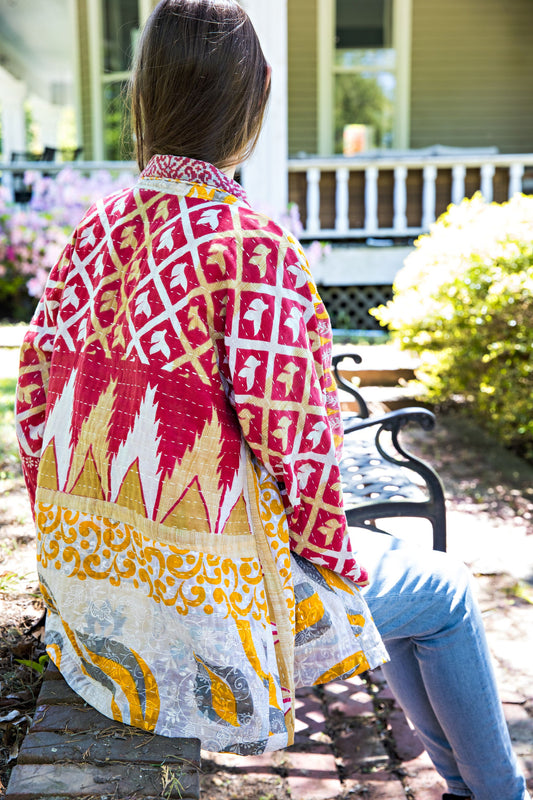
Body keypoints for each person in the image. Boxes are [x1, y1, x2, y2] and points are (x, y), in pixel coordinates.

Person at [14, 2, 528, 799]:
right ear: (252, 101)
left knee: (419, 591)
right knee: (444, 590)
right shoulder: (246, 246)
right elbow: (301, 445)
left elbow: (34, 410)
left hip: (95, 604)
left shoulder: (92, 235)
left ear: (143, 98)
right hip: (203, 617)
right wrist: (335, 570)